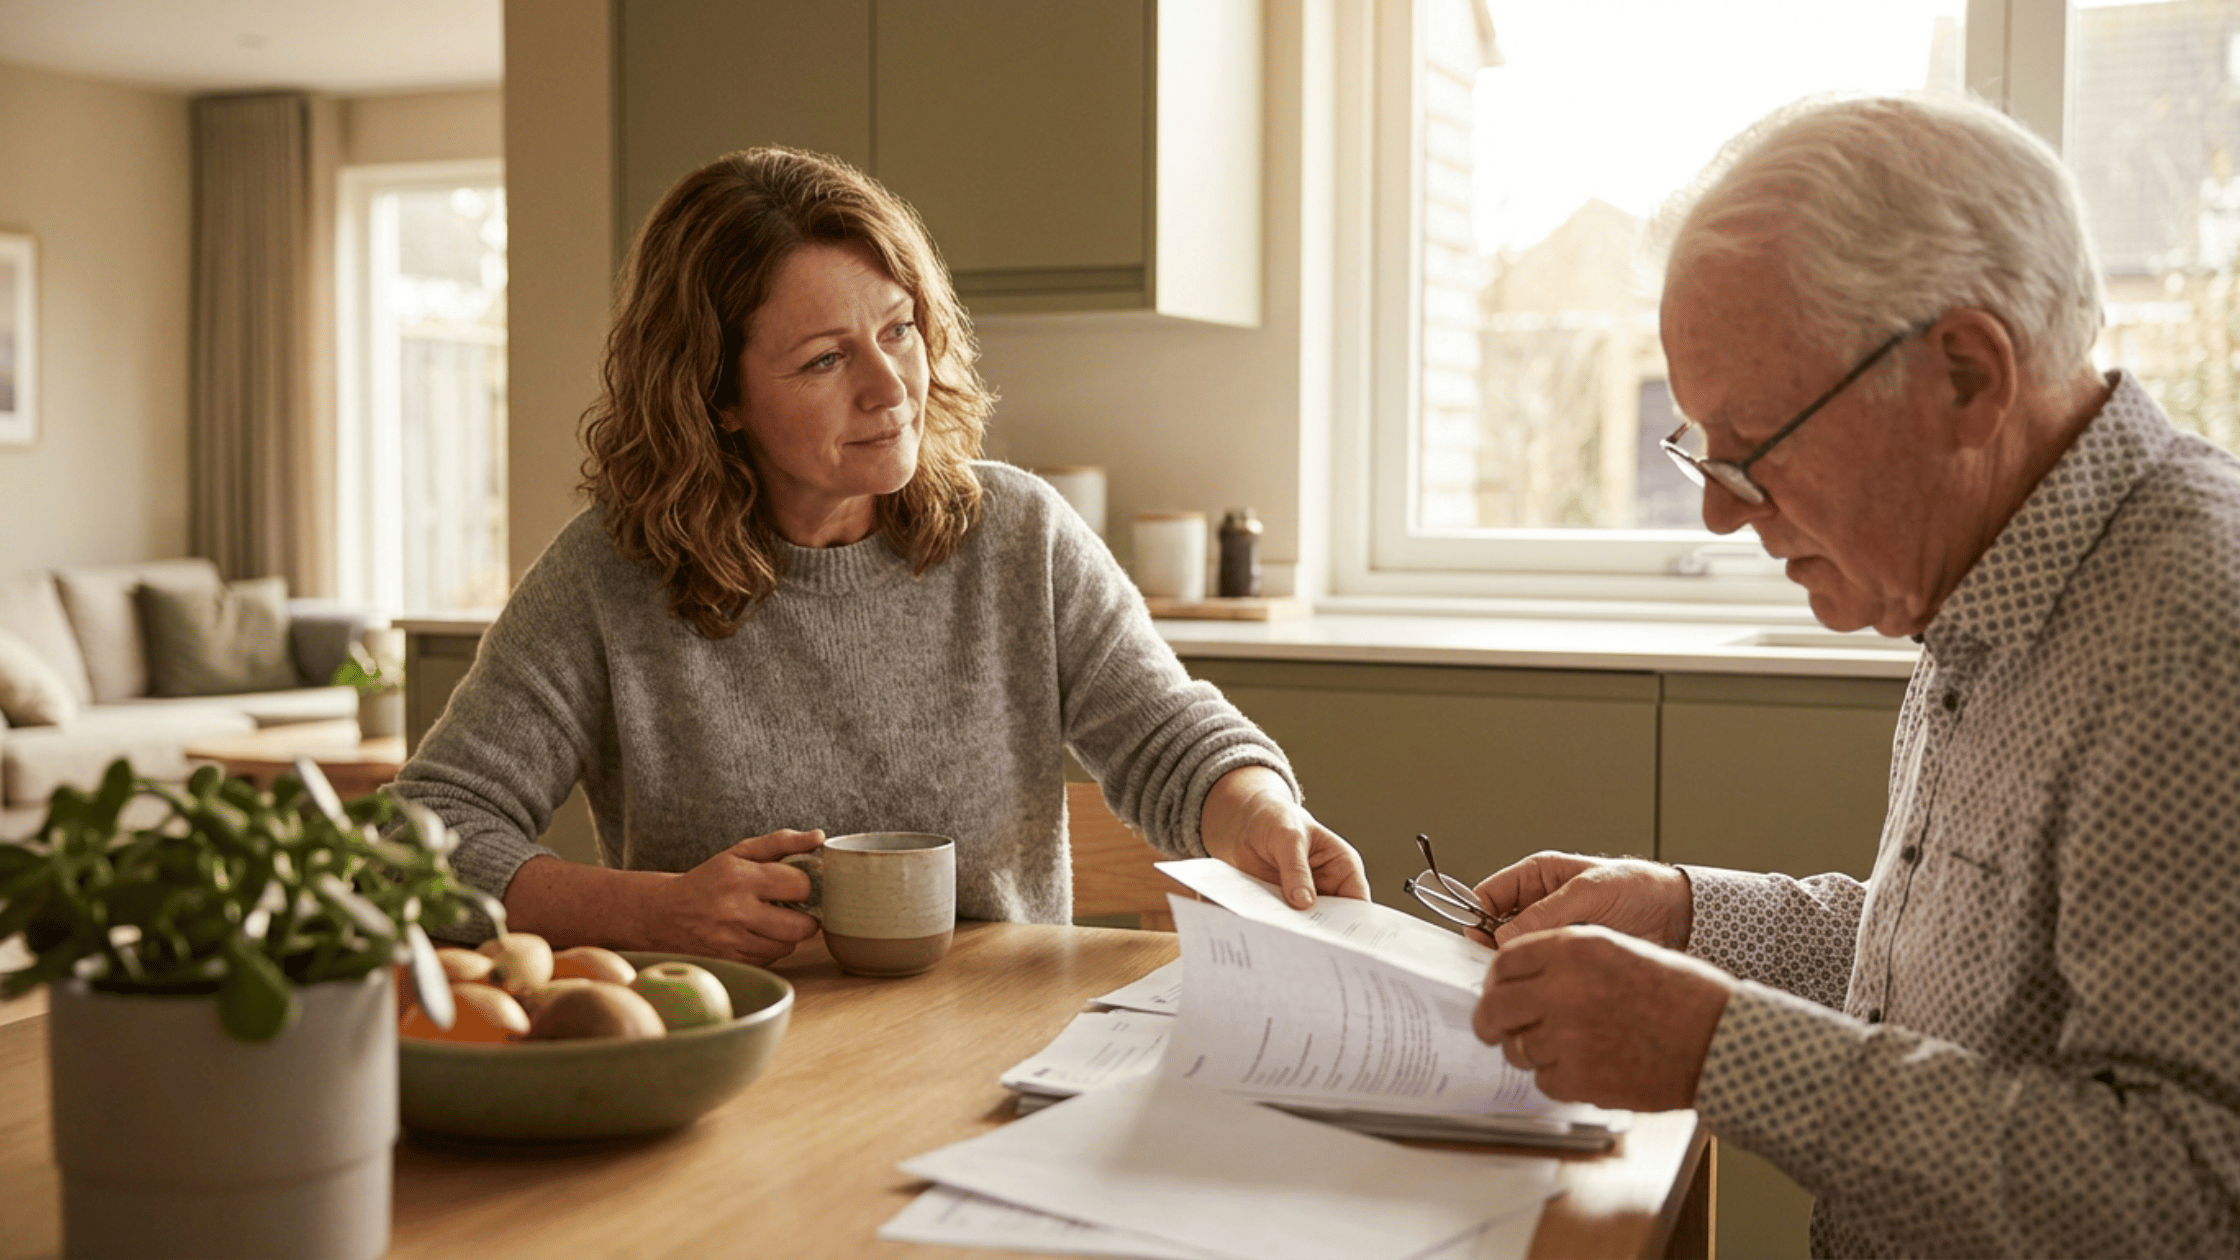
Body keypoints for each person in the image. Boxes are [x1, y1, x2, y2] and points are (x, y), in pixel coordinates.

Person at [1467, 94, 2240, 1258]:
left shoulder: (2189, 637)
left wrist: (1717, 1050)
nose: (1721, 514)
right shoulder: (1990, 569)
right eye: (1697, 452)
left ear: (1966, 377)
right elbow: (1966, 981)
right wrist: (1684, 915)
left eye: (1751, 449)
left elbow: (2187, 1192)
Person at [393, 146, 1367, 965]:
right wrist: (647, 912)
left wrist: (1257, 810)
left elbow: (1168, 740)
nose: (888, 386)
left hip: (999, 1054)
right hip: (745, 1076)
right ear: (714, 398)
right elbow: (416, 841)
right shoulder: (610, 575)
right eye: (823, 359)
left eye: (897, 330)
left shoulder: (1018, 535)